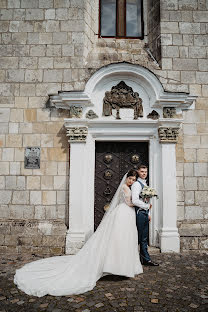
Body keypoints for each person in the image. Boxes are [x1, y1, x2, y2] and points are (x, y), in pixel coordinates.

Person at [14, 170, 143, 297]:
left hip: (124, 214)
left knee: (123, 239)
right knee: (120, 239)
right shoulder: (125, 188)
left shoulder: (126, 187)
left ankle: (121, 265)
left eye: (133, 180)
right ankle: (118, 266)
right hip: (124, 213)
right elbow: (129, 203)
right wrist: (144, 204)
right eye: (130, 178)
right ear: (126, 178)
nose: (131, 181)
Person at [131, 164, 159, 266]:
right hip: (139, 214)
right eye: (142, 171)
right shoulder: (136, 185)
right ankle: (139, 259)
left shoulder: (145, 185)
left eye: (145, 172)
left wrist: (149, 213)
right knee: (139, 238)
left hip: (145, 214)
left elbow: (146, 200)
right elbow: (134, 200)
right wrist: (147, 207)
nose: (144, 173)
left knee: (143, 238)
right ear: (138, 171)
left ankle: (145, 259)